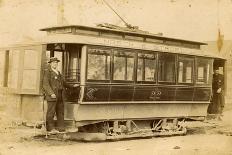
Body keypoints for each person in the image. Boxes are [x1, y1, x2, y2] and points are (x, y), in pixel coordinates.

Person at [43, 57, 78, 133]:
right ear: (50, 64)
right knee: (51, 112)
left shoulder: (58, 72)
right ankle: (50, 128)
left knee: (60, 112)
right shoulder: (47, 72)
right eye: (53, 62)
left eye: (56, 62)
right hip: (52, 95)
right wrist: (51, 93)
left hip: (60, 95)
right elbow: (45, 84)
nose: (55, 64)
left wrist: (72, 86)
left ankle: (61, 128)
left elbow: (64, 83)